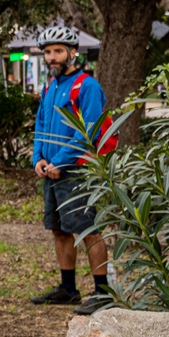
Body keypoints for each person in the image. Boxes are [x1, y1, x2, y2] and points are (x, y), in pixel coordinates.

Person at [29, 25, 112, 314]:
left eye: (57, 51)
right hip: (50, 173)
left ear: (72, 52)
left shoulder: (87, 86)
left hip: (75, 172)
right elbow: (40, 124)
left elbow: (88, 131)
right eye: (48, 52)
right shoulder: (50, 86)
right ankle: (68, 288)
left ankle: (103, 292)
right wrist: (37, 158)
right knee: (59, 231)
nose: (51, 57)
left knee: (88, 230)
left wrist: (60, 162)